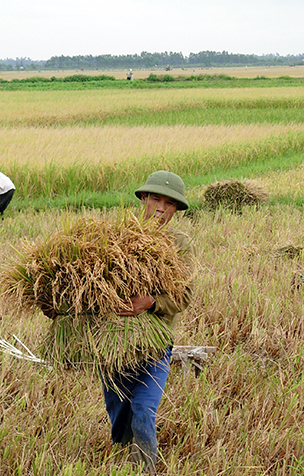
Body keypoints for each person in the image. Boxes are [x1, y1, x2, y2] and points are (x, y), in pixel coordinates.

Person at [103, 170, 194, 474]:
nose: (159, 208)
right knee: (119, 409)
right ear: (143, 198)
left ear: (175, 210)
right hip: (113, 342)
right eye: (155, 198)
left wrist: (151, 301)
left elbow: (184, 295)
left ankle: (145, 468)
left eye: (169, 204)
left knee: (143, 408)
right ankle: (122, 453)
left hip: (156, 343)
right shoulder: (117, 236)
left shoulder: (179, 244)